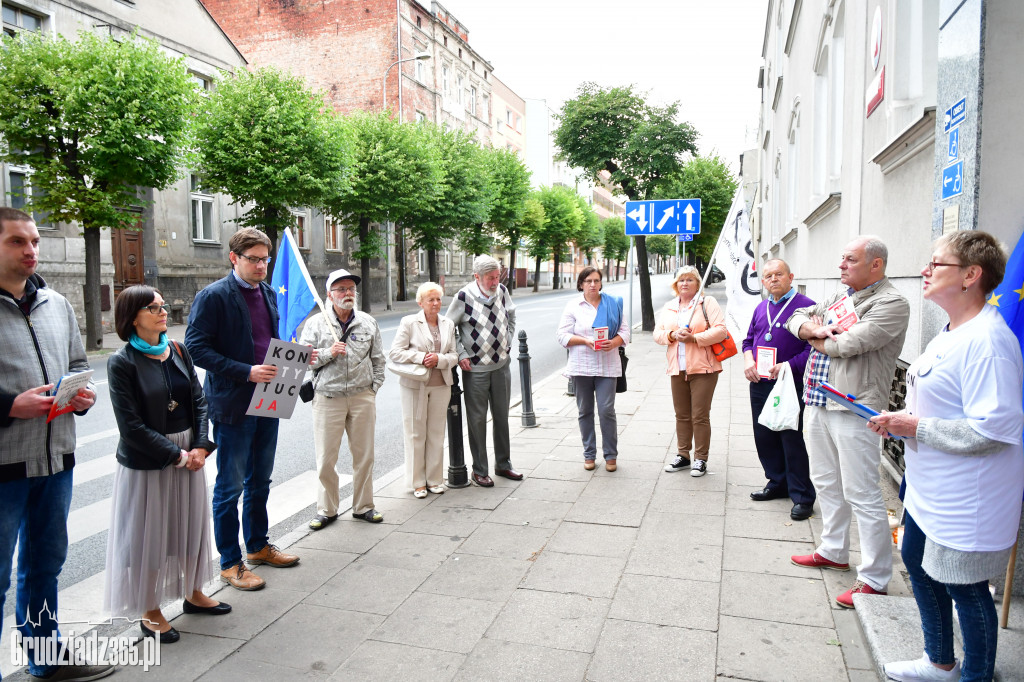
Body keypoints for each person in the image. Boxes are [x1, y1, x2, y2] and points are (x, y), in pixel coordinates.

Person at [870, 232, 1023, 682]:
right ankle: (939, 661)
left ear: (971, 275)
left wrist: (913, 427)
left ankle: (977, 675)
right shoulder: (952, 329)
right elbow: (941, 399)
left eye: (936, 264)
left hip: (965, 498)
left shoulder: (988, 341)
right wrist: (901, 417)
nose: (925, 270)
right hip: (928, 487)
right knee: (917, 563)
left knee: (966, 589)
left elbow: (994, 428)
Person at [0, 208, 111, 681]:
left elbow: (77, 365)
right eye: (17, 242)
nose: (31, 251)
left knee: (45, 566)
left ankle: (46, 657)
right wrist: (8, 405)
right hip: (4, 467)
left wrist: (82, 398)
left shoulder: (57, 304)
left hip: (56, 460)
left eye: (35, 241)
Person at [785, 235, 910, 609]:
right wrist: (812, 329)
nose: (841, 265)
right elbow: (797, 317)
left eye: (850, 260)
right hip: (818, 400)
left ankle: (874, 578)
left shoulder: (892, 302)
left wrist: (819, 337)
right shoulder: (840, 297)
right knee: (825, 480)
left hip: (855, 407)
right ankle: (833, 550)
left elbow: (849, 344)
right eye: (841, 259)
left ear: (876, 265)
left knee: (862, 492)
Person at [105, 285, 229, 645]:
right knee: (150, 536)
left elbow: (199, 400)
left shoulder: (177, 350)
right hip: (151, 461)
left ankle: (193, 592)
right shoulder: (122, 361)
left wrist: (202, 446)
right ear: (132, 318)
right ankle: (150, 609)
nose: (163, 312)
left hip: (190, 451)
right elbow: (130, 427)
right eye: (153, 308)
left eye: (162, 306)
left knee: (188, 526)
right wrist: (176, 455)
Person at [185, 227, 299, 592]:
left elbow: (268, 340)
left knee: (261, 479)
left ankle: (258, 546)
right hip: (234, 402)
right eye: (254, 259)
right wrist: (246, 371)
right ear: (234, 258)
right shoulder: (213, 296)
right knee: (230, 486)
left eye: (265, 258)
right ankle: (230, 563)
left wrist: (293, 355)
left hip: (270, 397)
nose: (262, 265)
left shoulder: (267, 292)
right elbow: (196, 349)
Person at [300, 269, 386, 527]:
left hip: (362, 396)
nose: (347, 293)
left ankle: (363, 506)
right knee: (326, 458)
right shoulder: (316, 323)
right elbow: (303, 360)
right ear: (329, 294)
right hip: (328, 397)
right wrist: (328, 352)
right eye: (341, 289)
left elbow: (379, 359)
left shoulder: (367, 322)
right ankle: (327, 509)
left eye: (351, 289)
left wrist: (374, 387)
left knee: (364, 455)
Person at [741, 259, 817, 520]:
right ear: (763, 281)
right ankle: (777, 482)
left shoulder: (807, 307)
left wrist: (787, 366)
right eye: (768, 276)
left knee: (789, 437)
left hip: (789, 382)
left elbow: (813, 349)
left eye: (778, 274)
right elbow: (748, 340)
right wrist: (748, 361)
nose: (773, 279)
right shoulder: (761, 307)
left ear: (790, 277)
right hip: (760, 380)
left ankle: (802, 496)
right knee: (764, 434)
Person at [446, 255, 521, 487]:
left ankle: (504, 464)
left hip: (501, 365)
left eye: (498, 277)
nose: (495, 282)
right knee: (477, 420)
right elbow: (449, 328)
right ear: (476, 277)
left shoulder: (502, 291)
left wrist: (508, 339)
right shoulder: (463, 296)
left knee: (502, 416)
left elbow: (511, 315)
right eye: (490, 278)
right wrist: (461, 354)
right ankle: (479, 470)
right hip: (476, 369)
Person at [654, 266, 729, 477]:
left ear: (698, 283)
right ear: (675, 285)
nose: (685, 283)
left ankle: (700, 459)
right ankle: (683, 455)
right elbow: (657, 334)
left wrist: (694, 338)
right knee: (682, 415)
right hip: (677, 368)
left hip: (703, 369)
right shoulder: (670, 307)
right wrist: (671, 334)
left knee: (700, 416)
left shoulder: (708, 303)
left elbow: (721, 330)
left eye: (690, 280)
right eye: (681, 280)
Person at [388, 282, 458, 497]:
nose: (436, 303)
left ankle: (435, 479)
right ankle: (417, 482)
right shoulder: (409, 322)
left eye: (438, 299)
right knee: (415, 433)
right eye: (431, 300)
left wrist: (439, 359)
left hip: (441, 384)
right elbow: (395, 353)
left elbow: (454, 356)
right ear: (421, 302)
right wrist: (421, 357)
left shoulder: (448, 323)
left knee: (436, 433)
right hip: (414, 386)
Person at [557, 267, 630, 471]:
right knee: (585, 411)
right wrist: (585, 341)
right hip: (582, 366)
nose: (592, 284)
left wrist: (614, 343)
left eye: (596, 280)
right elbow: (562, 336)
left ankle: (610, 455)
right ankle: (589, 454)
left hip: (608, 365)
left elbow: (625, 332)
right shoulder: (573, 306)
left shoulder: (613, 303)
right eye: (588, 281)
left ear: (601, 283)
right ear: (581, 284)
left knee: (606, 410)